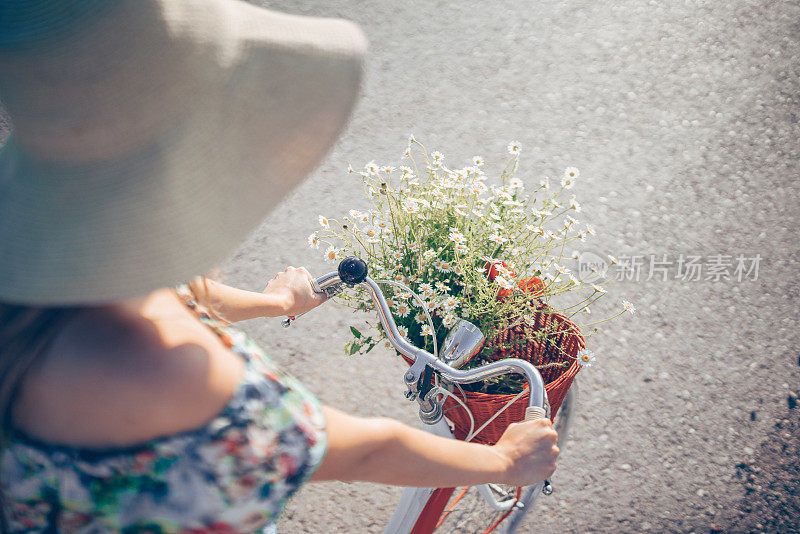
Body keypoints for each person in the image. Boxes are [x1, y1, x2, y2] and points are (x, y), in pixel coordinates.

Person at [0, 0, 559, 532]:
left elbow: (189, 296)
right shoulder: (176, 375)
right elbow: (364, 451)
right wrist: (506, 460)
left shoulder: (43, 283)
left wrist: (280, 303)